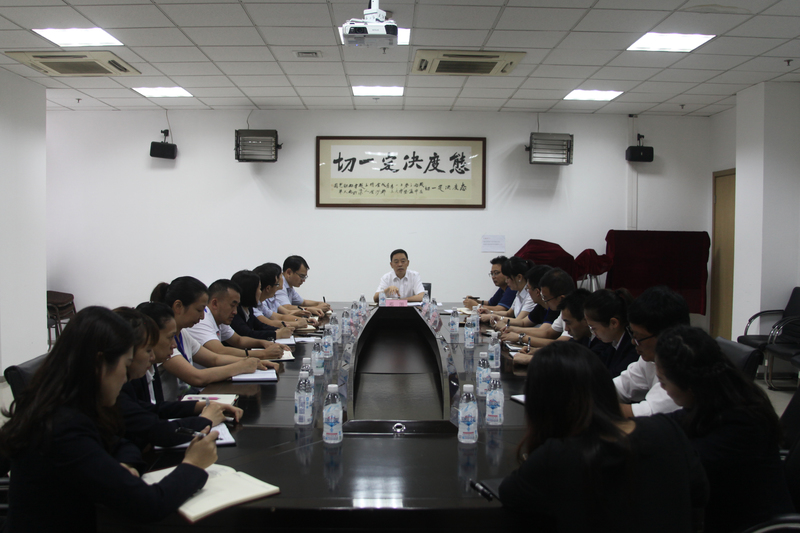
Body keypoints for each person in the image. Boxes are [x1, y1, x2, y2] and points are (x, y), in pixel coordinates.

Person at [0, 306, 218, 532]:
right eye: (125, 365)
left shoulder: (72, 404)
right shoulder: (63, 426)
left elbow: (119, 442)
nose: (125, 378)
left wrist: (125, 465)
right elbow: (149, 504)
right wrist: (193, 464)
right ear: (99, 365)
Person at [498, 342, 708, 533]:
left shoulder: (557, 455)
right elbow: (699, 494)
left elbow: (509, 494)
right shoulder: (667, 429)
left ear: (543, 404)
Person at [655, 326, 794, 533]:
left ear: (689, 385)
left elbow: (687, 464)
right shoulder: (714, 398)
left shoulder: (744, 421)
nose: (663, 388)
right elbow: (674, 422)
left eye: (663, 382)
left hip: (754, 527)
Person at [115, 306, 242, 450]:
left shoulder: (139, 373)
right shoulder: (121, 388)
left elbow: (152, 409)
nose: (152, 356)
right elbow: (157, 431)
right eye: (148, 349)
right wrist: (205, 420)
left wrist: (201, 406)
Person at [150, 276, 273, 400]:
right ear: (178, 306)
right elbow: (197, 377)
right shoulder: (162, 339)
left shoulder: (183, 334)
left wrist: (253, 361)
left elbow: (214, 359)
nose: (202, 316)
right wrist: (241, 366)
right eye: (199, 310)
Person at [614, 285, 689, 418]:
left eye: (639, 337)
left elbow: (646, 415)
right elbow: (621, 386)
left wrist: (586, 405)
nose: (633, 342)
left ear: (666, 336)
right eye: (633, 334)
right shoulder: (651, 358)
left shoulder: (684, 368)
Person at [187, 279, 289, 357]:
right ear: (215, 303)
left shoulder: (219, 319)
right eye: (232, 305)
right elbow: (220, 351)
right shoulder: (202, 320)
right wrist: (263, 353)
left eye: (236, 306)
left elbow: (238, 340)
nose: (235, 312)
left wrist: (264, 343)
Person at [514, 287, 610, 366]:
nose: (566, 329)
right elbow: (566, 350)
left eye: (569, 323)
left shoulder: (603, 340)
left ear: (585, 319)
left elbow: (582, 364)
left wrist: (534, 359)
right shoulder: (583, 336)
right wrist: (539, 351)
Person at [495, 267, 574, 349]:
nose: (545, 301)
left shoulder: (572, 311)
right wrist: (512, 330)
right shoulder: (562, 309)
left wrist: (520, 337)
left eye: (546, 298)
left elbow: (560, 344)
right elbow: (548, 333)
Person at [583, 288, 638, 378]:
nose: (594, 333)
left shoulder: (633, 348)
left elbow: (613, 377)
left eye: (593, 328)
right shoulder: (610, 340)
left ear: (613, 323)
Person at [230, 270, 294, 341]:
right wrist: (276, 334)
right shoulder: (234, 312)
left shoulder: (248, 308)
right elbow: (248, 334)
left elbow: (260, 326)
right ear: (250, 292)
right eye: (259, 289)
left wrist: (279, 330)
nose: (260, 292)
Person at [252, 262, 310, 329]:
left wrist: (305, 321)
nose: (283, 278)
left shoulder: (262, 302)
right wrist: (297, 323)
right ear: (268, 288)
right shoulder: (253, 305)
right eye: (280, 277)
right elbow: (269, 323)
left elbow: (280, 317)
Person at [477, 256, 534, 323]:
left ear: (519, 277)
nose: (506, 281)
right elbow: (508, 313)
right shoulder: (519, 293)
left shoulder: (530, 296)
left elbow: (519, 321)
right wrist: (489, 312)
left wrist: (493, 317)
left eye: (508, 278)